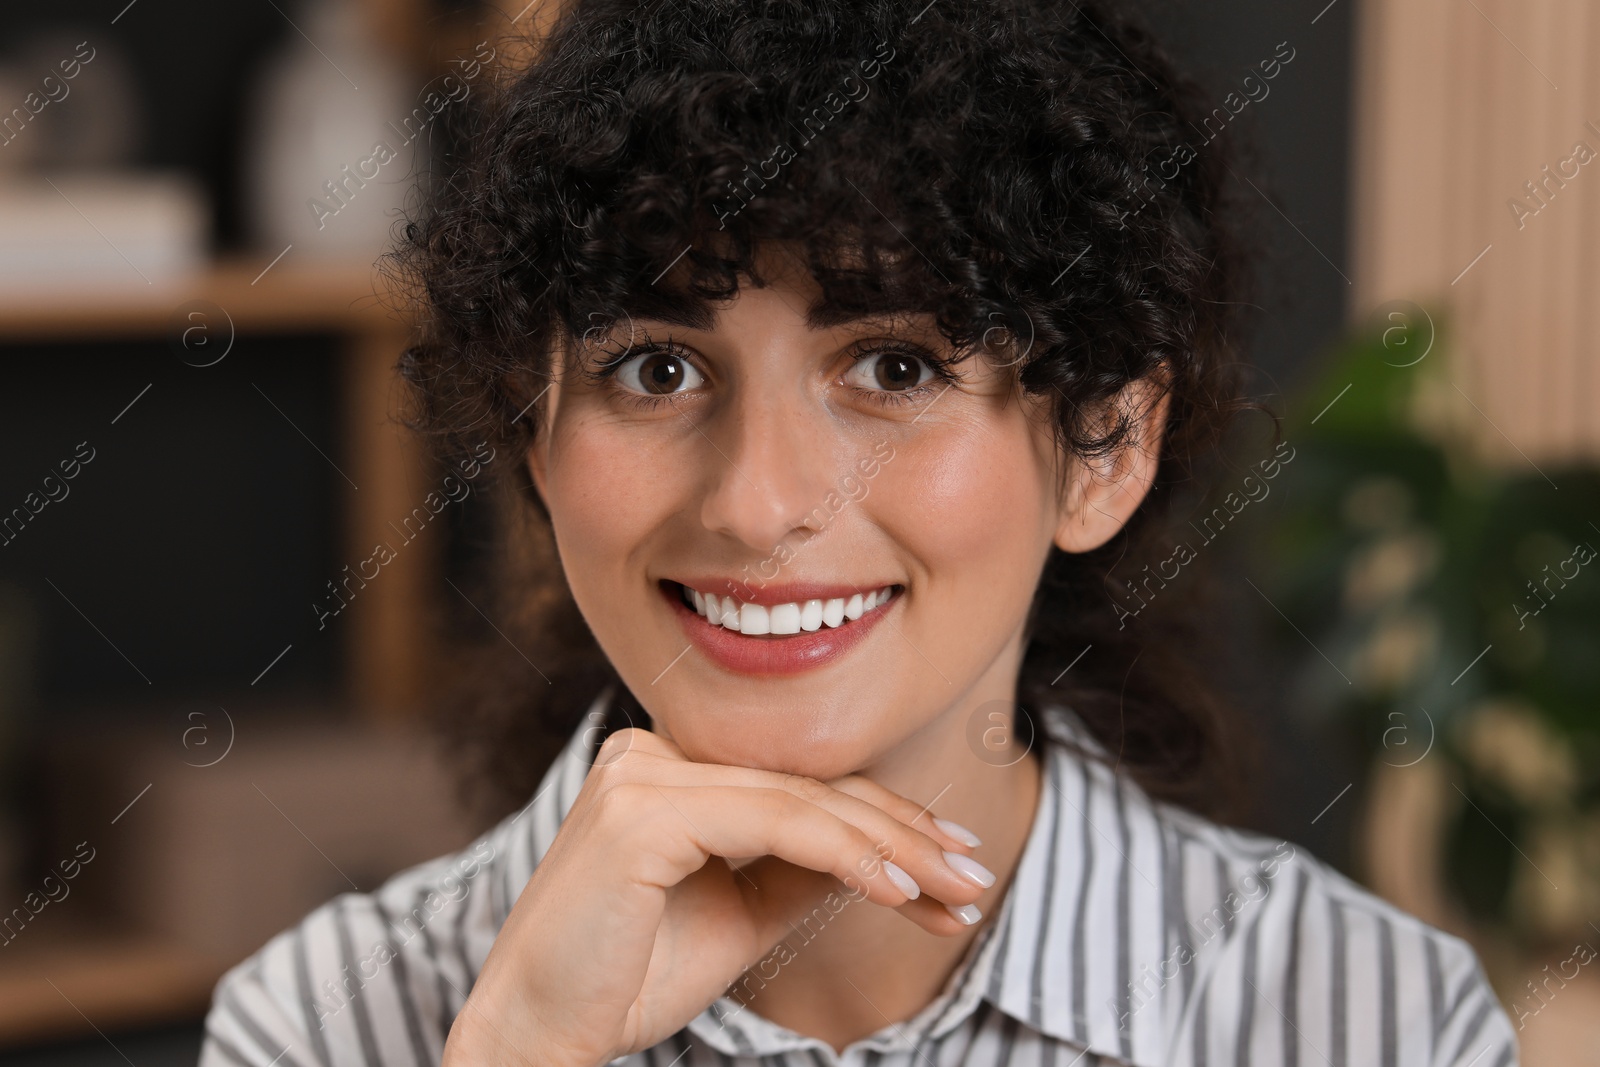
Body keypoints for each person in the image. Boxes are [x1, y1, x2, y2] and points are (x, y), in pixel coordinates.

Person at [200, 0, 1518, 1064]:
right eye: (657, 368)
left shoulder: (1376, 1020)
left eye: (894, 368)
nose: (759, 503)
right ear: (532, 437)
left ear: (1103, 446)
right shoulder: (327, 1023)